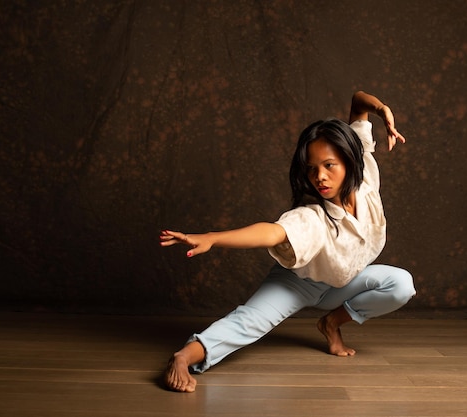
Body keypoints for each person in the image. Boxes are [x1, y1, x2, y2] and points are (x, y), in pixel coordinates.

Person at [159, 91, 416, 393]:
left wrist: (382, 109)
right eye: (311, 168)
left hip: (342, 281)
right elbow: (270, 232)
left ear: (350, 159)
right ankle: (182, 358)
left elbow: (358, 101)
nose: (319, 176)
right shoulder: (311, 217)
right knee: (249, 323)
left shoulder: (366, 178)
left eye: (329, 165)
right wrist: (213, 238)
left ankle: (331, 323)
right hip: (297, 284)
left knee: (401, 284)